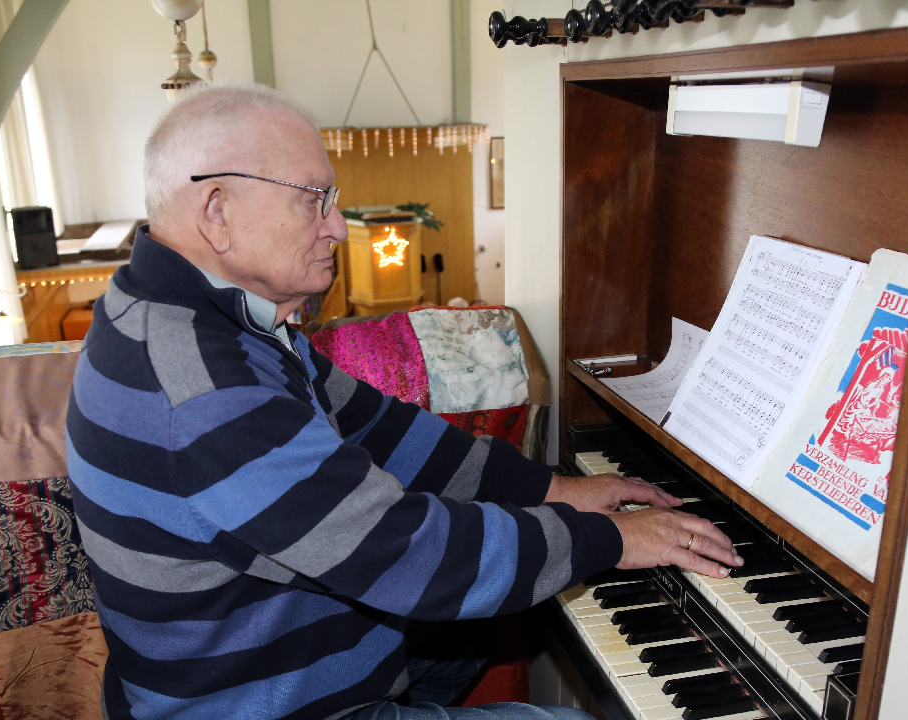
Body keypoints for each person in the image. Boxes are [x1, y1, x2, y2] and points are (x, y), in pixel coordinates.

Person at [66, 84, 743, 720]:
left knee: (500, 611)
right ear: (217, 211)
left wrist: (556, 487)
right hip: (270, 704)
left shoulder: (214, 318)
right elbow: (401, 552)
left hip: (284, 655)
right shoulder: (202, 387)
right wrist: (611, 539)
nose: (336, 226)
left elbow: (386, 431)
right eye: (314, 199)